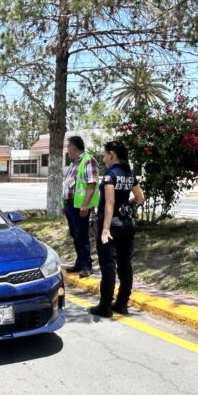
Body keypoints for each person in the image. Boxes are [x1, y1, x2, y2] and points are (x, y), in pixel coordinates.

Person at [89, 141, 145, 318]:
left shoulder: (109, 175)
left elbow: (110, 202)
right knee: (125, 266)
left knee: (108, 266)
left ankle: (105, 306)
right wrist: (127, 207)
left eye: (105, 154)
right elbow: (140, 197)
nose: (104, 158)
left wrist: (105, 229)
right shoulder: (130, 174)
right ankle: (121, 304)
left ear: (112, 154)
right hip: (127, 226)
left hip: (111, 226)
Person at [63, 136, 99, 278]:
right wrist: (63, 203)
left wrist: (85, 205)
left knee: (81, 235)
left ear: (73, 148)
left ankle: (86, 266)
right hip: (70, 205)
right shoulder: (74, 164)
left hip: (80, 206)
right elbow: (68, 183)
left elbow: (92, 184)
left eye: (68, 148)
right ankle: (80, 262)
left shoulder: (88, 161)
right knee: (75, 235)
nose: (67, 151)